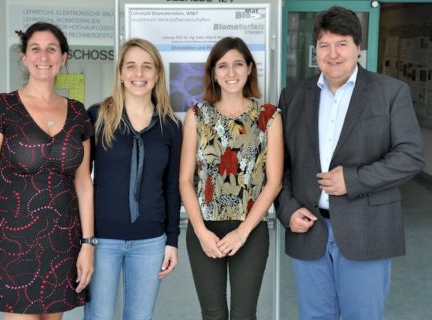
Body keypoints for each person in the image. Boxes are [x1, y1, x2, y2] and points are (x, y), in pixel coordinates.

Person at [275, 6, 425, 320]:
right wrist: (287, 210)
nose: (333, 54)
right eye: (325, 45)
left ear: (358, 47)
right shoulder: (294, 96)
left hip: (366, 229)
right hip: (309, 229)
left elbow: (410, 156)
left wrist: (353, 179)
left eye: (342, 44)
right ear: (315, 51)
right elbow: (280, 165)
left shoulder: (390, 92)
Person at [0, 22, 95, 320]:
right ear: (24, 57)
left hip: (62, 239)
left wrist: (88, 244)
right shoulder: (3, 107)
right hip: (13, 241)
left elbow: (84, 183)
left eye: (52, 49)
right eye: (35, 49)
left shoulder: (78, 113)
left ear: (63, 57)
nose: (44, 56)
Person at [180, 37, 284, 320]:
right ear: (213, 72)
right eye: (222, 66)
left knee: (243, 314)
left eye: (238, 64)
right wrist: (201, 232)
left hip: (250, 231)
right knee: (212, 314)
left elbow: (274, 182)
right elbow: (185, 180)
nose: (231, 72)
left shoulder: (269, 117)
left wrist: (242, 232)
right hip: (205, 229)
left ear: (250, 68)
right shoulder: (197, 116)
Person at [83, 38, 182, 320]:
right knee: (98, 317)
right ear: (121, 73)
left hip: (150, 241)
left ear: (158, 74)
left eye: (146, 67)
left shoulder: (171, 126)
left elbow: (172, 188)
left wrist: (171, 241)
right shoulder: (98, 116)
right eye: (131, 66)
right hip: (102, 240)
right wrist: (84, 241)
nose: (139, 74)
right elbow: (82, 183)